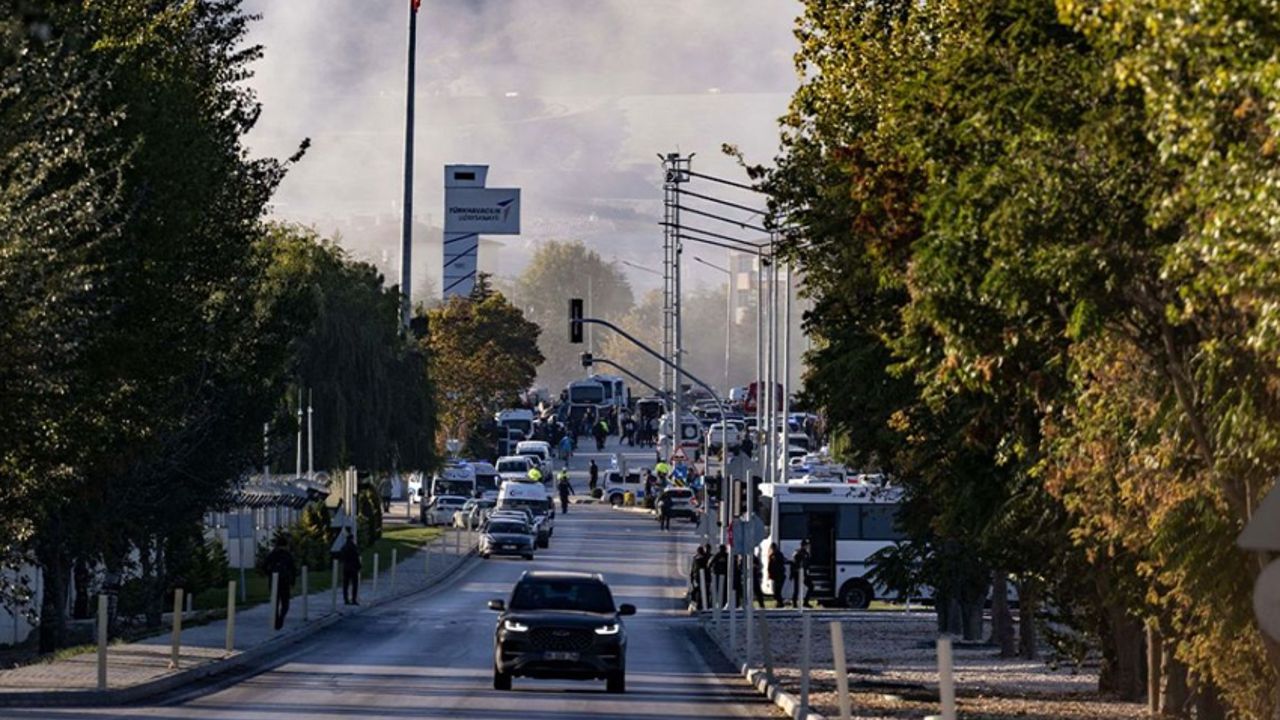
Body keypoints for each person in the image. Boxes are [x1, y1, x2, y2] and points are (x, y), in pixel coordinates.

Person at [263, 536, 297, 629]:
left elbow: (264, 565)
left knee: (275, 602)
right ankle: (281, 617)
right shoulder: (288, 555)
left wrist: (269, 574)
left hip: (274, 581)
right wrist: (292, 582)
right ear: (286, 545)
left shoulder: (272, 554)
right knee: (285, 603)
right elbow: (293, 569)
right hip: (285, 581)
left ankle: (275, 619)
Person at [339, 529, 362, 605]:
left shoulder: (343, 548)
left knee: (345, 584)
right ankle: (353, 599)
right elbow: (356, 557)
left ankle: (346, 599)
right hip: (353, 568)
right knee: (354, 584)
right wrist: (359, 566)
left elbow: (341, 557)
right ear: (352, 539)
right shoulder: (354, 547)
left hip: (346, 567)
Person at [790, 538, 813, 608]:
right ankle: (794, 603)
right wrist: (793, 572)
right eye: (806, 545)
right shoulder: (797, 553)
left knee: (811, 586)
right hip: (798, 573)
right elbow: (793, 563)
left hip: (804, 573)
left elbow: (808, 564)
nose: (808, 546)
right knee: (796, 589)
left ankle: (806, 602)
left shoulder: (807, 553)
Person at [689, 544, 710, 609]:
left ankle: (696, 604)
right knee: (704, 591)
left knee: (696, 591)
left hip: (697, 577)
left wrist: (691, 578)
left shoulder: (695, 558)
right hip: (703, 577)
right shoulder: (705, 558)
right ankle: (703, 604)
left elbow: (693, 569)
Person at [768, 542, 787, 607]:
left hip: (779, 575)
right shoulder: (774, 555)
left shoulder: (776, 555)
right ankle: (780, 603)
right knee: (777, 591)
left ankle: (780, 603)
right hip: (777, 576)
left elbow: (772, 566)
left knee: (777, 592)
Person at [711, 544, 729, 608]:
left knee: (719, 591)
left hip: (720, 576)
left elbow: (709, 564)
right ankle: (721, 604)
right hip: (724, 576)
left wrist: (713, 571)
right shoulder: (726, 556)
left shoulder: (717, 556)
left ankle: (719, 604)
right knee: (723, 591)